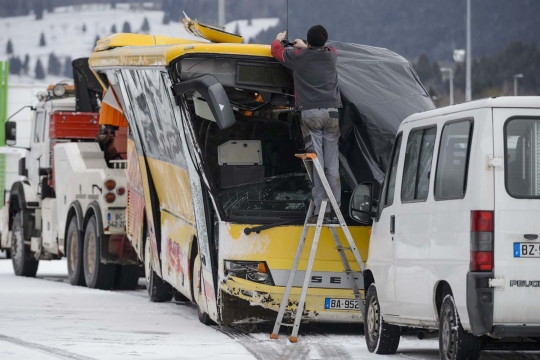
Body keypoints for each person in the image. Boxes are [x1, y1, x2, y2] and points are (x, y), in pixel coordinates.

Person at [271, 25, 342, 222]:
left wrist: (279, 38)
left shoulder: (298, 57)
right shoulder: (332, 56)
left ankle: (322, 212)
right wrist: (306, 46)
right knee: (332, 166)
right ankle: (336, 210)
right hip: (332, 114)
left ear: (308, 42)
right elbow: (325, 49)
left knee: (317, 165)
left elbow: (276, 51)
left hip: (311, 114)